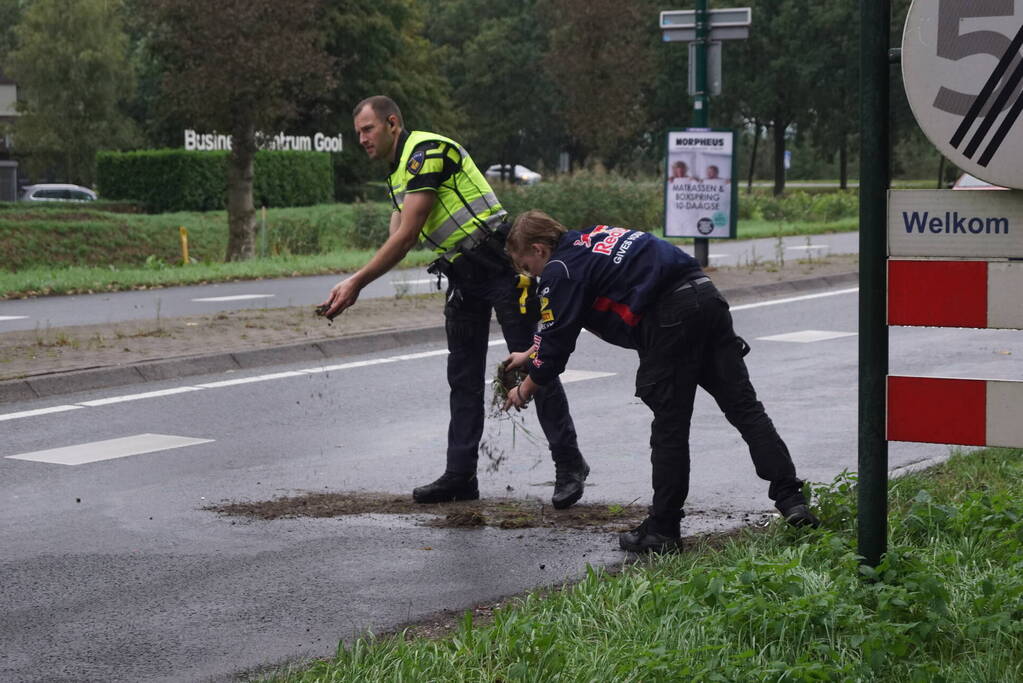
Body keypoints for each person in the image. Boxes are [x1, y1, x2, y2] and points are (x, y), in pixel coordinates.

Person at [320, 97, 588, 509]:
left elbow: (408, 235)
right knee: (462, 378)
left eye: (368, 129)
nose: (362, 139)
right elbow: (396, 241)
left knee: (535, 364)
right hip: (463, 274)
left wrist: (357, 282)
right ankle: (460, 475)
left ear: (392, 123)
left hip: (501, 266)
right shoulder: (396, 175)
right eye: (358, 131)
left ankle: (569, 464)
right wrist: (354, 283)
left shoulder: (425, 153)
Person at [501, 210, 819, 553]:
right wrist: (530, 352)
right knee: (746, 410)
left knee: (670, 428)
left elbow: (557, 346)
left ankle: (663, 529)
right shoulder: (594, 238)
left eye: (526, 266)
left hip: (669, 319)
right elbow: (561, 321)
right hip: (706, 298)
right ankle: (792, 500)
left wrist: (525, 388)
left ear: (539, 249)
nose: (529, 274)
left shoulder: (559, 269)